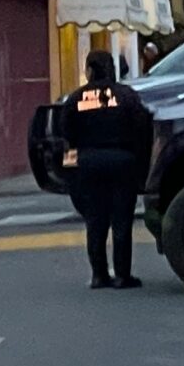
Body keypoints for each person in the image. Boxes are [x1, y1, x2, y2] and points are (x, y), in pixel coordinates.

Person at [55, 50, 153, 289]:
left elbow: (65, 136)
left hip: (88, 163)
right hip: (122, 162)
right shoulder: (127, 96)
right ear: (112, 69)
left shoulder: (76, 99)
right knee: (121, 221)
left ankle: (99, 275)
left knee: (95, 222)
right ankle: (122, 275)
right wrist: (141, 165)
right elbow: (144, 128)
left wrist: (70, 171)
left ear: (89, 69)